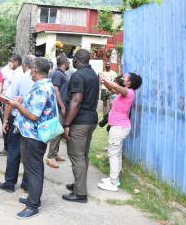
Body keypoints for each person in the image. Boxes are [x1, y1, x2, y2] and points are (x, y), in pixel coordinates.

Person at [8, 57, 56, 219]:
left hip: (33, 136)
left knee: (34, 170)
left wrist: (17, 106)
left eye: (31, 69)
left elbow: (34, 116)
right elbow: (36, 107)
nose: (29, 72)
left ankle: (33, 206)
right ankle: (33, 199)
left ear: (35, 70)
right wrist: (23, 101)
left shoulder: (42, 88)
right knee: (33, 168)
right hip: (32, 134)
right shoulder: (43, 85)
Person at [62, 49, 99, 203]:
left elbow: (76, 101)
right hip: (91, 119)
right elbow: (96, 98)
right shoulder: (93, 74)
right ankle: (79, 185)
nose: (71, 61)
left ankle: (80, 194)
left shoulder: (78, 75)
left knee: (76, 156)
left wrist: (67, 123)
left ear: (76, 59)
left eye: (73, 59)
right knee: (83, 155)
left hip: (80, 122)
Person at [97, 72, 142, 192]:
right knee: (116, 153)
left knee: (113, 154)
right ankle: (114, 179)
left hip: (119, 127)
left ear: (129, 83)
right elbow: (112, 88)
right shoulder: (124, 92)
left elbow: (116, 87)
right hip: (119, 126)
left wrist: (105, 78)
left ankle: (113, 182)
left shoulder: (128, 92)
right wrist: (104, 81)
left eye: (124, 78)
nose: (122, 79)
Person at [0, 54, 34, 194]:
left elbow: (9, 102)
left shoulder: (20, 77)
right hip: (33, 120)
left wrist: (5, 121)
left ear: (24, 65)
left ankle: (10, 183)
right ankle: (26, 185)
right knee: (29, 154)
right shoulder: (43, 79)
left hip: (18, 119)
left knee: (14, 151)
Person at [0, 53, 23, 156]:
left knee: (8, 126)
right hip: (7, 100)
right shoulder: (9, 71)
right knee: (8, 128)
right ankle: (7, 148)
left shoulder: (19, 74)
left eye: (10, 61)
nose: (9, 63)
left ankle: (11, 151)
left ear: (16, 62)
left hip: (13, 105)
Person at [45, 54, 70, 168]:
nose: (69, 64)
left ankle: (55, 154)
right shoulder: (58, 74)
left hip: (62, 107)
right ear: (65, 63)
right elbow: (56, 90)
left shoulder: (61, 74)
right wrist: (62, 106)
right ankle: (50, 157)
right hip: (59, 108)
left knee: (59, 132)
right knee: (56, 132)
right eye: (68, 62)